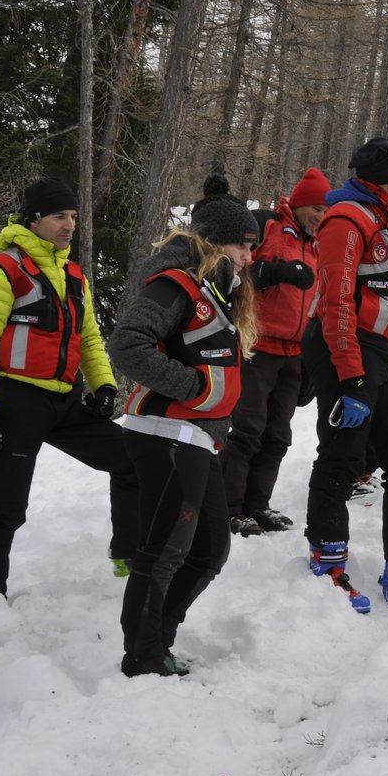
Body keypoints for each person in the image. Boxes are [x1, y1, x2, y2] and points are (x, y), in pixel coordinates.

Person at [0, 177, 139, 600]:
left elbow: (90, 338)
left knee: (132, 460)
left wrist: (105, 386)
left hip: (65, 400)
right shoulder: (0, 270)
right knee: (5, 510)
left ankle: (129, 559)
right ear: (34, 220)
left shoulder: (73, 274)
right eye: (59, 216)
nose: (69, 225)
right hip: (15, 403)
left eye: (73, 216)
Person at [109, 177, 258, 677]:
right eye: (244, 244)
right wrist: (193, 389)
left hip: (199, 440)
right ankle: (143, 658)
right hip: (166, 435)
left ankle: (157, 640)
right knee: (164, 551)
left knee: (211, 549)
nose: (249, 256)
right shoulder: (176, 284)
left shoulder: (216, 293)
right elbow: (127, 345)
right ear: (217, 240)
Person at [301, 139, 388, 608]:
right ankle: (327, 563)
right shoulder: (348, 220)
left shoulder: (387, 221)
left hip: (377, 353)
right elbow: (336, 304)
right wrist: (352, 377)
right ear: (385, 178)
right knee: (343, 458)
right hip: (342, 349)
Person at [220, 168, 327, 537]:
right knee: (248, 429)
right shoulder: (267, 226)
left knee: (278, 434)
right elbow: (237, 272)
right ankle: (229, 507)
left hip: (294, 352)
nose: (320, 215)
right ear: (297, 204)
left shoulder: (319, 243)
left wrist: (315, 356)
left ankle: (257, 504)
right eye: (315, 207)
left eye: (325, 209)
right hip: (256, 346)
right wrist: (276, 270)